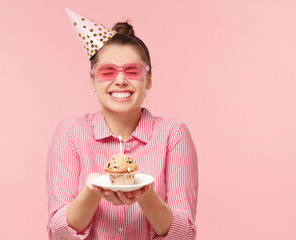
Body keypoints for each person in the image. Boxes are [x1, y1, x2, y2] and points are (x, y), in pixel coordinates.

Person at [46, 8, 198, 240]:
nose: (120, 80)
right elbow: (58, 233)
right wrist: (93, 191)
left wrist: (145, 193)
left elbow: (184, 234)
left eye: (132, 70)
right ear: (92, 81)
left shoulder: (173, 134)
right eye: (107, 71)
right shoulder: (71, 133)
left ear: (148, 80)